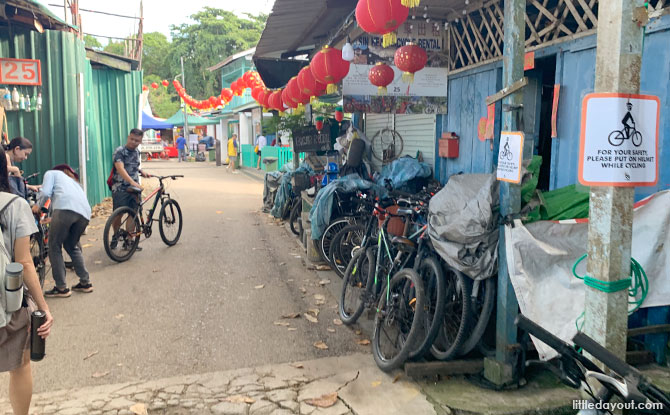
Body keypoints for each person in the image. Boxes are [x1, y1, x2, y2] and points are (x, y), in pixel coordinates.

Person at [0, 146, 53, 415]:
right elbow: (24, 262)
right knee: (20, 365)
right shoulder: (13, 204)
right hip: (8, 304)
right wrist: (44, 308)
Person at [35, 164, 92, 297]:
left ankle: (61, 288)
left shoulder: (51, 173)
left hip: (64, 210)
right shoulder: (74, 183)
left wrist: (38, 206)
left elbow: (45, 193)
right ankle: (85, 282)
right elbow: (72, 206)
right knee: (71, 246)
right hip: (85, 214)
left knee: (54, 246)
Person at [111, 129, 152, 247]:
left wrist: (141, 171)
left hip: (135, 189)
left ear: (140, 141)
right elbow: (120, 168)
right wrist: (131, 182)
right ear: (128, 137)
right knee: (118, 214)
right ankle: (116, 235)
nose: (133, 142)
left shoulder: (137, 152)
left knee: (133, 213)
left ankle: (129, 239)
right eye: (132, 139)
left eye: (137, 141)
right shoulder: (120, 151)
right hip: (120, 188)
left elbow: (134, 166)